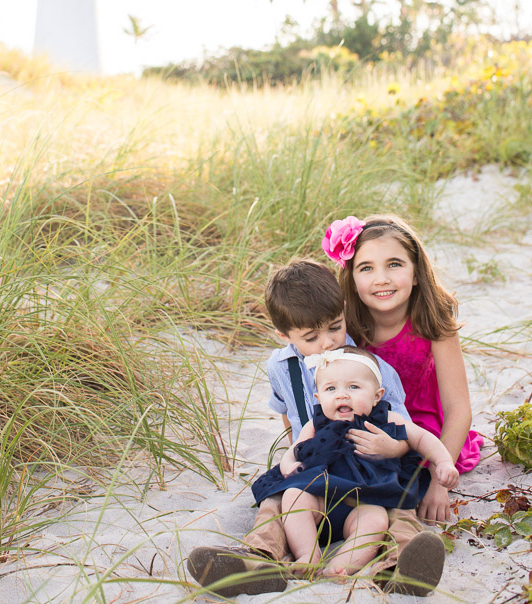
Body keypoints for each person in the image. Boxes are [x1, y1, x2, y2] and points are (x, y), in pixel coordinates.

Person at [187, 260, 447, 597]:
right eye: (311, 337)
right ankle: (258, 560)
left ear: (342, 311)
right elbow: (289, 415)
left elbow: (404, 431)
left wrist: (394, 450)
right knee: (276, 501)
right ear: (284, 335)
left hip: (369, 471)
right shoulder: (281, 367)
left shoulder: (371, 368)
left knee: (398, 505)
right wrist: (295, 456)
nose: (326, 343)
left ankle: (401, 566)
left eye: (334, 328)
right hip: (315, 470)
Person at [325, 213, 484, 526]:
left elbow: (459, 408)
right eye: (366, 268)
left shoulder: (432, 322)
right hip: (366, 419)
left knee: (407, 480)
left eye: (394, 264)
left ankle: (401, 533)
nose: (381, 278)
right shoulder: (346, 325)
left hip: (424, 427)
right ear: (352, 279)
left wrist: (440, 484)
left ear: (415, 273)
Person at [251, 347, 459, 579]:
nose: (342, 395)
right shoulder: (316, 423)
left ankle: (342, 565)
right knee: (292, 496)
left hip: (366, 499)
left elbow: (421, 438)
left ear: (377, 395)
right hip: (321, 497)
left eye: (353, 387)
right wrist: (288, 465)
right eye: (331, 389)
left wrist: (443, 462)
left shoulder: (386, 418)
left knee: (377, 519)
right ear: (319, 398)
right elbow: (294, 448)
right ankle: (307, 555)